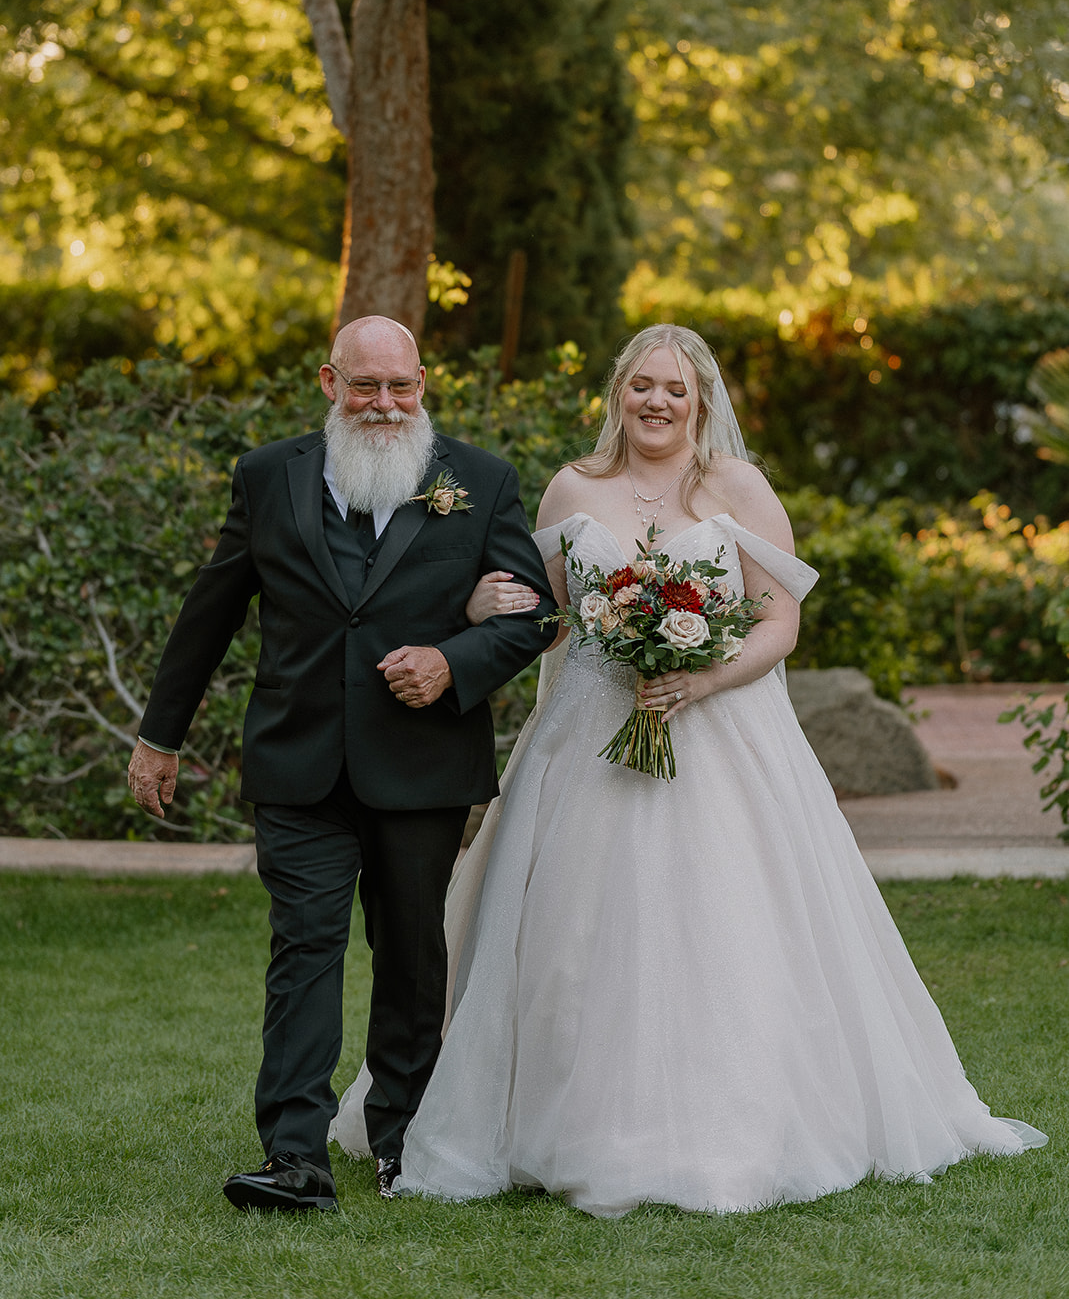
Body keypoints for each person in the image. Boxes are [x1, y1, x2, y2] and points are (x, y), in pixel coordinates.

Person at [332, 322, 1047, 1217]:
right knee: (566, 932)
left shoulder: (737, 487)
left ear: (701, 398)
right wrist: (480, 602)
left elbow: (776, 620)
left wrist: (700, 677)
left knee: (725, 921)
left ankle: (729, 1120)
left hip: (722, 737)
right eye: (640, 386)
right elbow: (541, 613)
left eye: (674, 388)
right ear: (616, 395)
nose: (656, 402)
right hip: (584, 736)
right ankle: (544, 1117)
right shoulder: (569, 488)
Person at [127, 315, 557, 1213]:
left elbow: (529, 616)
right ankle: (294, 1156)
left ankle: (402, 1141)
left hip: (423, 765)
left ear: (423, 383)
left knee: (409, 956)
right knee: (303, 953)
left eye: (400, 385)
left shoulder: (478, 480)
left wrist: (450, 662)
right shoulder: (266, 476)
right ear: (330, 384)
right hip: (298, 762)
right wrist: (158, 736)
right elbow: (209, 613)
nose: (384, 403)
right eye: (366, 385)